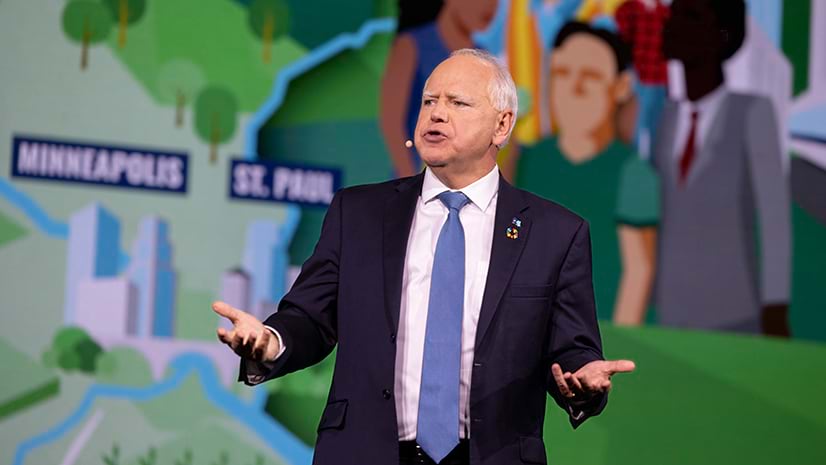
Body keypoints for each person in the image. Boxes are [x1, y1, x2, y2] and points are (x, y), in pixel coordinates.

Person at [216, 49, 635, 465]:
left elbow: (573, 351)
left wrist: (582, 381)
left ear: (502, 125)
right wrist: (271, 342)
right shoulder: (358, 213)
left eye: (458, 103)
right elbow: (310, 317)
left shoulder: (555, 233)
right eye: (429, 101)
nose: (437, 114)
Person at [653, 0, 791, 335]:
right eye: (674, 14)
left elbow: (773, 217)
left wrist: (775, 305)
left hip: (734, 312)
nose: (673, 25)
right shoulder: (666, 116)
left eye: (691, 16)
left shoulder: (752, 114)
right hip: (671, 313)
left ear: (722, 35)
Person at [510, 22, 659, 326]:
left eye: (590, 77)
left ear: (620, 87)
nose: (573, 89)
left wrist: (615, 345)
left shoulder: (633, 172)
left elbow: (638, 272)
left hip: (601, 332)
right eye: (562, 73)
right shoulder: (532, 161)